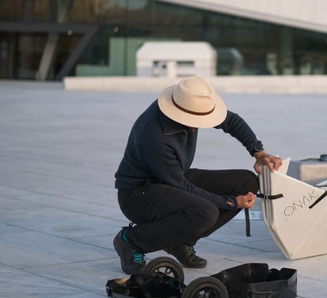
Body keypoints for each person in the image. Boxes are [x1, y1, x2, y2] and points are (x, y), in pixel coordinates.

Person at [113, 77, 282, 274]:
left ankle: (179, 241)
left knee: (246, 182)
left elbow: (231, 121)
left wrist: (259, 152)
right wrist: (231, 202)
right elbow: (181, 186)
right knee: (205, 212)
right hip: (138, 194)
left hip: (172, 179)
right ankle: (132, 241)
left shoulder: (184, 103)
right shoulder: (156, 136)